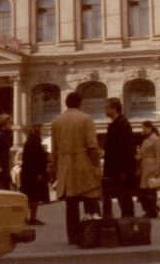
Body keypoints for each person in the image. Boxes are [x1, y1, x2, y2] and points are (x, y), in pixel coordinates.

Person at [51, 91, 102, 245]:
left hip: (65, 167)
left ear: (66, 103)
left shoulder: (57, 121)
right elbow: (92, 146)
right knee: (91, 201)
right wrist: (96, 167)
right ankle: (93, 233)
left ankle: (73, 236)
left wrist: (55, 171)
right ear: (80, 103)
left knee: (71, 204)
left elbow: (54, 150)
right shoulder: (86, 119)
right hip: (83, 164)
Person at [103, 97, 136, 218]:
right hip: (117, 168)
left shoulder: (122, 124)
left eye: (107, 108)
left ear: (114, 108)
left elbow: (124, 149)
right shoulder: (117, 123)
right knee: (121, 195)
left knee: (124, 195)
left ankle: (128, 220)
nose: (105, 110)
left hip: (120, 168)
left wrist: (123, 170)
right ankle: (126, 219)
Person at [20, 124, 49, 226]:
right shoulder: (34, 143)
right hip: (34, 173)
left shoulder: (30, 142)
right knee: (34, 197)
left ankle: (28, 217)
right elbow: (37, 159)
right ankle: (32, 217)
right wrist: (39, 173)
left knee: (29, 196)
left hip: (28, 173)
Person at [137, 121, 160, 218]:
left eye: (144, 128)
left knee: (151, 190)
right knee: (145, 190)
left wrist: (157, 169)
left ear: (149, 128)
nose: (142, 130)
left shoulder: (155, 139)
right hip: (145, 167)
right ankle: (150, 209)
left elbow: (158, 155)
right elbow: (141, 154)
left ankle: (152, 211)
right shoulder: (145, 140)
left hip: (152, 167)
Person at [0, 114, 14, 190]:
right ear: (4, 123)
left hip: (5, 163)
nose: (11, 125)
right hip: (2, 165)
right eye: (10, 123)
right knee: (3, 184)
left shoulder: (6, 134)